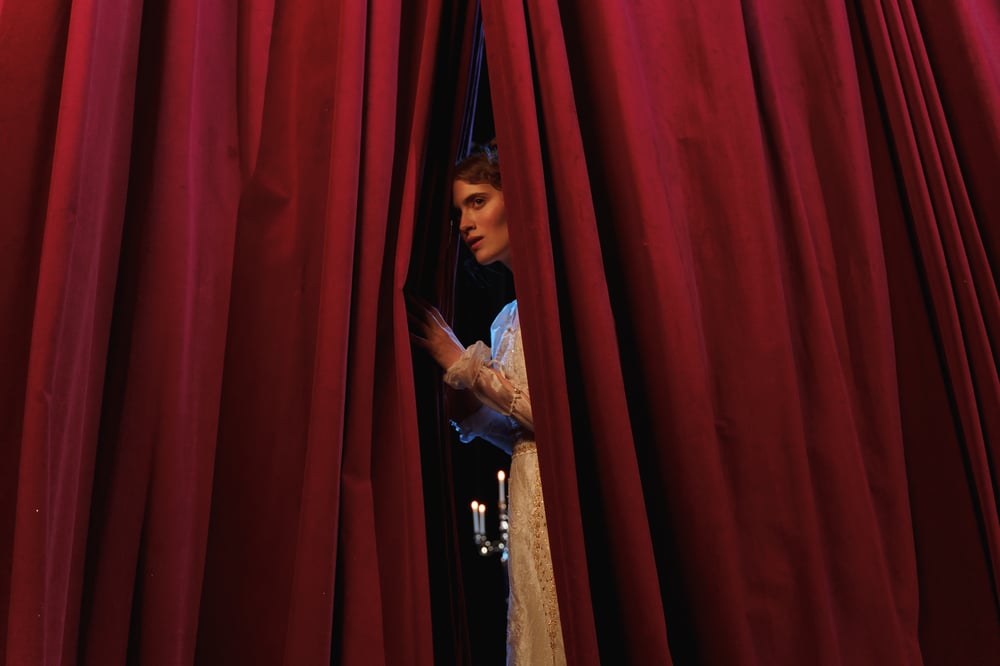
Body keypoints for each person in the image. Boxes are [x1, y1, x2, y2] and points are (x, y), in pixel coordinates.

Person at [408, 143, 566, 665]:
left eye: (477, 201)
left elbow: (558, 418)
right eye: (459, 212)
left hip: (561, 496)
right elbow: (524, 432)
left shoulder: (556, 301)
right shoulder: (508, 320)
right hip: (527, 494)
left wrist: (466, 366)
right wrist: (473, 408)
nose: (465, 223)